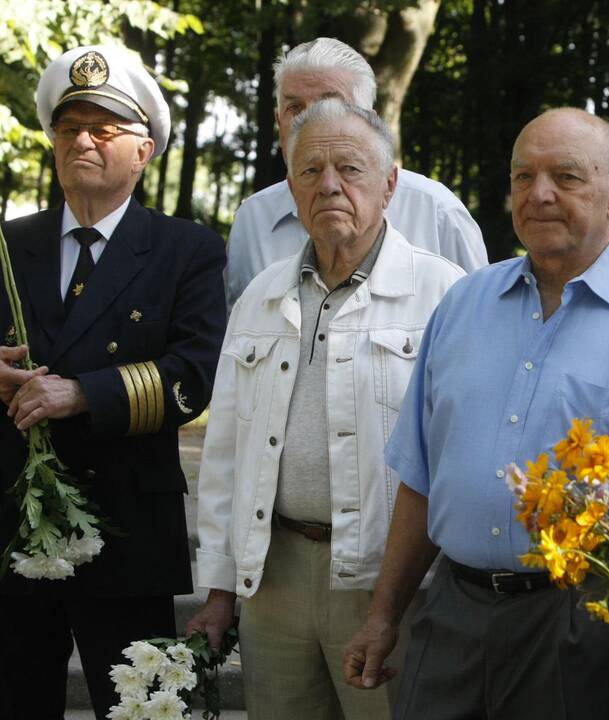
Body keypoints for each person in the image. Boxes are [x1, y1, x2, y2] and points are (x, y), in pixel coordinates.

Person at [340, 108, 609, 720]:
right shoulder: (463, 305)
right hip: (452, 611)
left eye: (566, 177)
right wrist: (383, 616)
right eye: (522, 177)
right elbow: (422, 481)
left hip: (582, 626)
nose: (539, 195)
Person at [187, 98, 464, 720]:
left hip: (389, 586)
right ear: (291, 187)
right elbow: (227, 448)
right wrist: (220, 584)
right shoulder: (261, 294)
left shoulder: (446, 293)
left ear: (390, 183)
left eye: (351, 168)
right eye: (310, 171)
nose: (329, 184)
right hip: (275, 575)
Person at [0, 45, 226, 718]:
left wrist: (80, 394)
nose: (83, 142)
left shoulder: (187, 249)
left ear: (144, 150)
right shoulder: (9, 244)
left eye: (103, 130)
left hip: (129, 527)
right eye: (70, 129)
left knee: (139, 708)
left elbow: (195, 372)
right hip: (14, 524)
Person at [225, 37, 486, 308]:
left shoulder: (436, 212)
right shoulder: (253, 220)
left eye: (331, 105)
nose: (310, 122)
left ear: (370, 121)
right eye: (294, 108)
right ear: (279, 123)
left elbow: (480, 321)